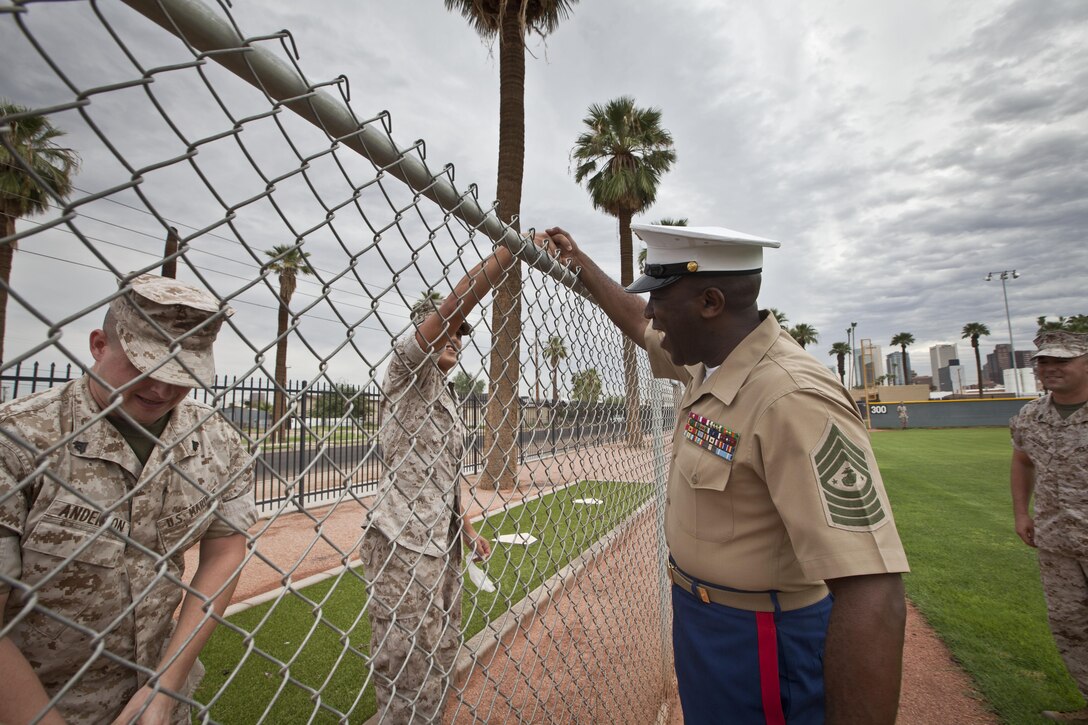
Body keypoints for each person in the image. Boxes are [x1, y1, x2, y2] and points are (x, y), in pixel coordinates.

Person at [543, 223, 909, 723]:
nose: (651, 311)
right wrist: (580, 261)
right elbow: (637, 323)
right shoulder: (706, 362)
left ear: (710, 303)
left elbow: (873, 589)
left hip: (763, 637)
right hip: (704, 620)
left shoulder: (791, 397)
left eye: (660, 298)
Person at [0, 273, 256, 725]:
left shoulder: (217, 440)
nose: (160, 390)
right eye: (143, 366)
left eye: (182, 374)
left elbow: (225, 550)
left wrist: (165, 687)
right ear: (99, 345)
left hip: (156, 693)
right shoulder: (19, 440)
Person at [361, 244, 519, 723]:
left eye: (462, 334)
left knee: (441, 653)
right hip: (402, 543)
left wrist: (466, 530)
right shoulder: (407, 371)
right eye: (447, 330)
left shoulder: (447, 394)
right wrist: (507, 253)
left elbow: (442, 477)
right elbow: (453, 308)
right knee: (406, 664)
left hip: (441, 541)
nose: (456, 336)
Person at [1010, 330, 1088, 722]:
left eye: (1061, 361)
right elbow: (1023, 461)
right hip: (1056, 537)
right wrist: (1022, 513)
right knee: (1070, 625)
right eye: (1043, 361)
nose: (1050, 368)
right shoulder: (1031, 415)